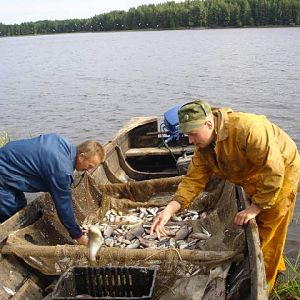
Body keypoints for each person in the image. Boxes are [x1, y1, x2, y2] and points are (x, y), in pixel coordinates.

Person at [150, 99, 300, 292]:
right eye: (187, 135)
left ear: (209, 124)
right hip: (252, 174)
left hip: (283, 171)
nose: (190, 141)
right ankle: (278, 269)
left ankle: (267, 287)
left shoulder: (249, 129)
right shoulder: (204, 148)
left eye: (193, 134)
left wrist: (255, 208)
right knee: (260, 226)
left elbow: (274, 171)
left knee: (268, 231)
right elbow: (192, 181)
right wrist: (169, 210)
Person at [0, 133, 104, 246]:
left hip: (10, 159)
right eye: (89, 166)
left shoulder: (61, 142)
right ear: (81, 157)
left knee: (20, 207)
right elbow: (64, 207)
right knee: (10, 214)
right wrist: (79, 236)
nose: (88, 171)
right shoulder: (62, 171)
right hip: (4, 171)